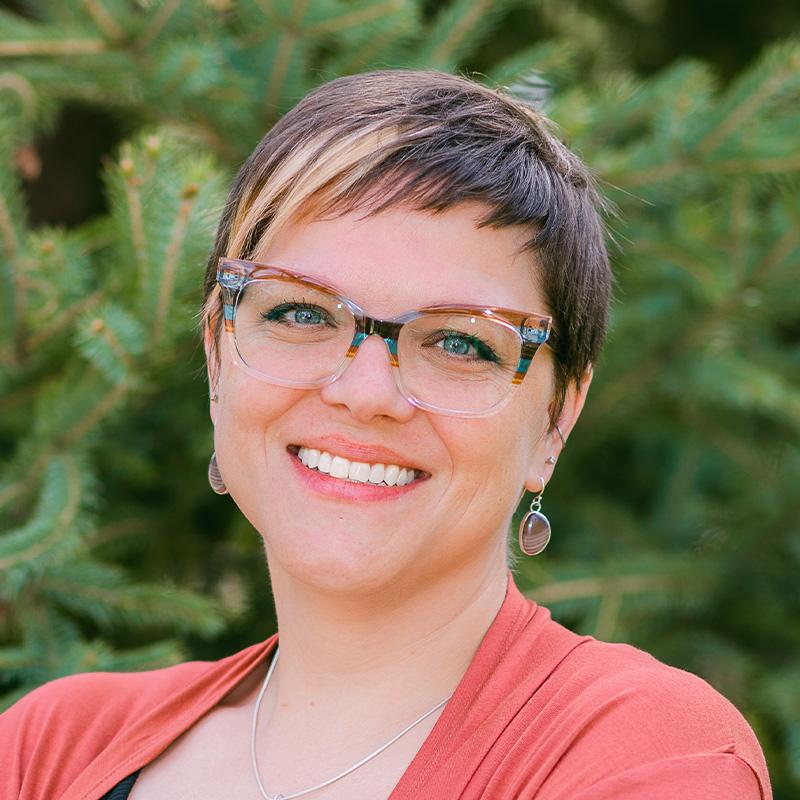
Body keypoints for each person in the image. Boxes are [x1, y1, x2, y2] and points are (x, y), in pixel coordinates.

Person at [0, 70, 770, 800]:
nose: (364, 393)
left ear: (557, 417)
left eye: (461, 342)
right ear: (217, 360)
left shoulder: (643, 753)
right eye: (299, 313)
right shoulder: (50, 747)